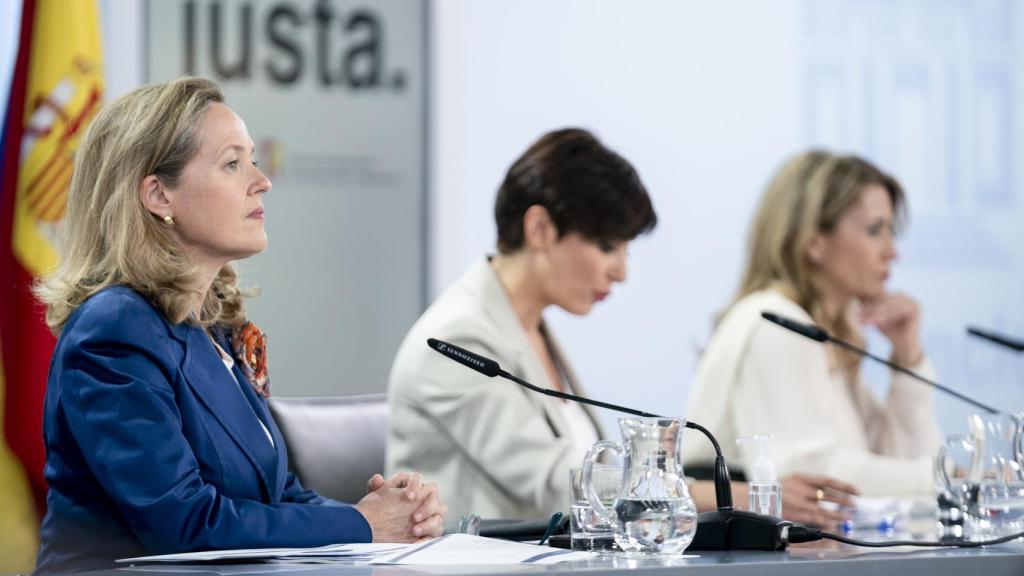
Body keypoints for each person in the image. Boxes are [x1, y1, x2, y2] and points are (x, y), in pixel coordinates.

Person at [32, 77, 446, 575]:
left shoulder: (211, 325)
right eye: (232, 163)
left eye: (252, 158)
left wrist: (391, 517)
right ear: (159, 196)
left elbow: (279, 494)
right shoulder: (114, 330)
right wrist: (363, 526)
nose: (262, 180)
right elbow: (185, 524)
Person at [386, 129, 851, 527]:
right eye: (608, 245)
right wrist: (738, 496)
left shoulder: (527, 326)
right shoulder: (458, 339)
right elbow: (556, 485)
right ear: (540, 228)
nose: (621, 272)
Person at [686, 150, 942, 500]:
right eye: (874, 230)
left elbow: (899, 466)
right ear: (813, 241)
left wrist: (907, 356)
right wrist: (951, 477)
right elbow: (812, 472)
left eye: (890, 231)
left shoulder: (827, 335)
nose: (891, 251)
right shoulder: (774, 322)